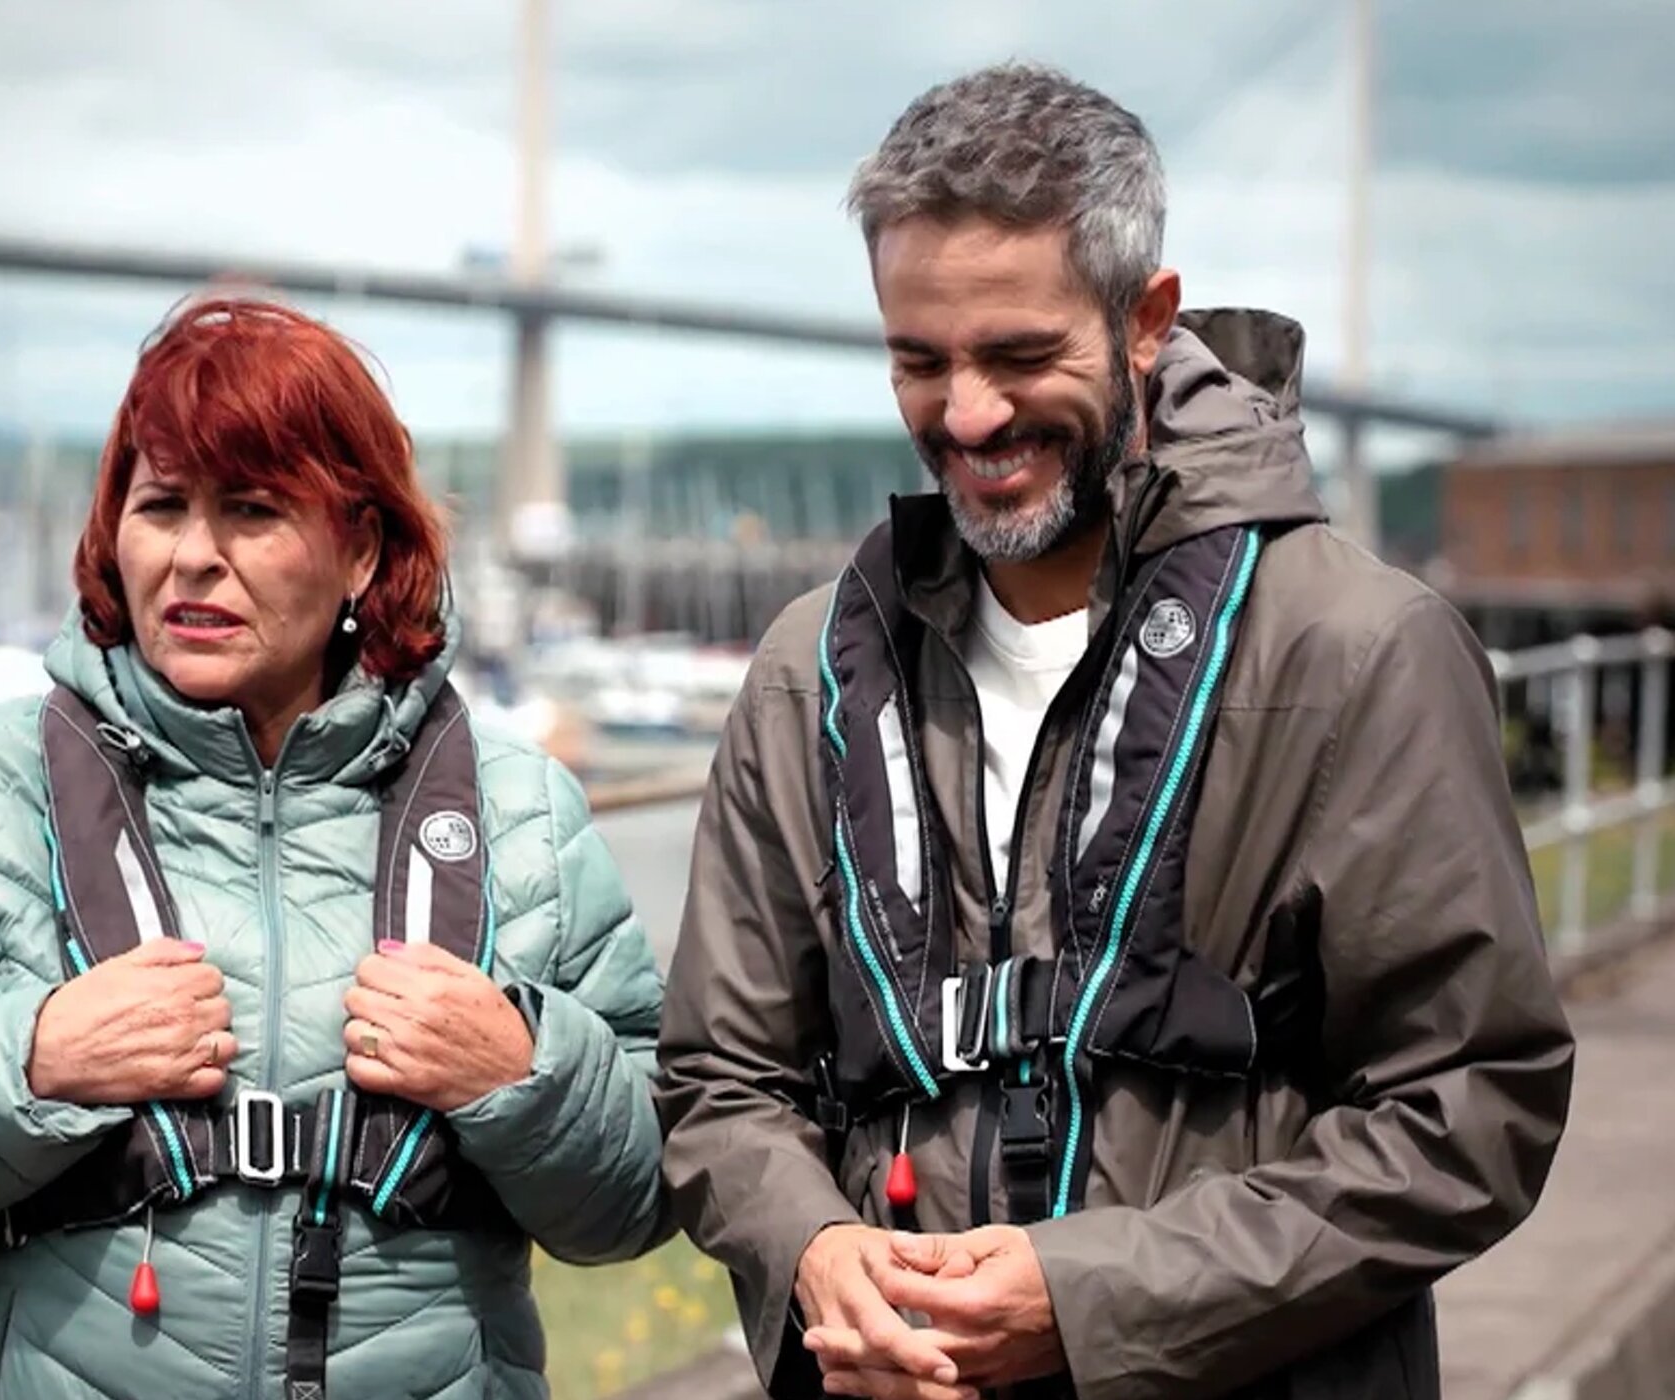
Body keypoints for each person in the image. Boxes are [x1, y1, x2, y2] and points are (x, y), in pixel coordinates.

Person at [656, 62, 1573, 1400]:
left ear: (1145, 322)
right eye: (919, 360)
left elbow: (1473, 1107)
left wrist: (1088, 1302)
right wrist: (815, 1248)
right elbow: (719, 1080)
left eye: (1020, 356)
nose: (967, 415)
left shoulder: (1361, 651)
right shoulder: (808, 669)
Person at [0, 295, 667, 1400]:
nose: (193, 556)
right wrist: (30, 1060)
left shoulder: (519, 813)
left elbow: (642, 1196)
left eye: (250, 509)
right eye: (161, 505)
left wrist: (524, 1073)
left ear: (360, 549)